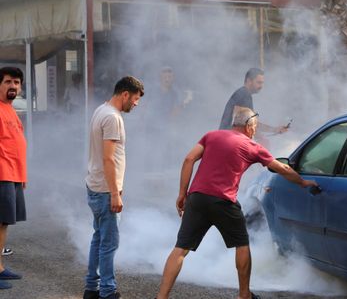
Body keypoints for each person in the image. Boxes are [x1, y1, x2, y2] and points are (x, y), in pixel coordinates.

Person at [156, 107, 317, 299]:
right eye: (255, 127)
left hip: (197, 198)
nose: (255, 131)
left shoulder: (211, 136)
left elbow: (189, 159)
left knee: (180, 249)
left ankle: (161, 297)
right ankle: (244, 295)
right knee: (241, 244)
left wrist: (182, 194)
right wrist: (303, 182)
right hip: (224, 201)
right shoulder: (252, 146)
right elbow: (281, 168)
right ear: (249, 126)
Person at [83, 76, 144, 299]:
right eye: (135, 99)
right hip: (104, 190)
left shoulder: (101, 110)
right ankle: (107, 292)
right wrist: (115, 193)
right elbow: (109, 159)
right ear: (125, 94)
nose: (135, 104)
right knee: (109, 244)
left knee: (98, 238)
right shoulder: (112, 118)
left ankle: (91, 289)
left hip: (96, 185)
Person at [0, 67, 27, 290]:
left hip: (12, 174)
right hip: (1, 173)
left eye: (16, 82)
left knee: (3, 223)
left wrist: (21, 176)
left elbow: (16, 145)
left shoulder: (10, 110)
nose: (13, 86)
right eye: (8, 82)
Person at [219, 68, 289, 135]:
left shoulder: (243, 93)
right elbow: (250, 122)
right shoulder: (244, 94)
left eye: (262, 83)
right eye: (259, 82)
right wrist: (274, 130)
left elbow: (249, 122)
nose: (261, 86)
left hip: (227, 138)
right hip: (228, 140)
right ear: (249, 81)